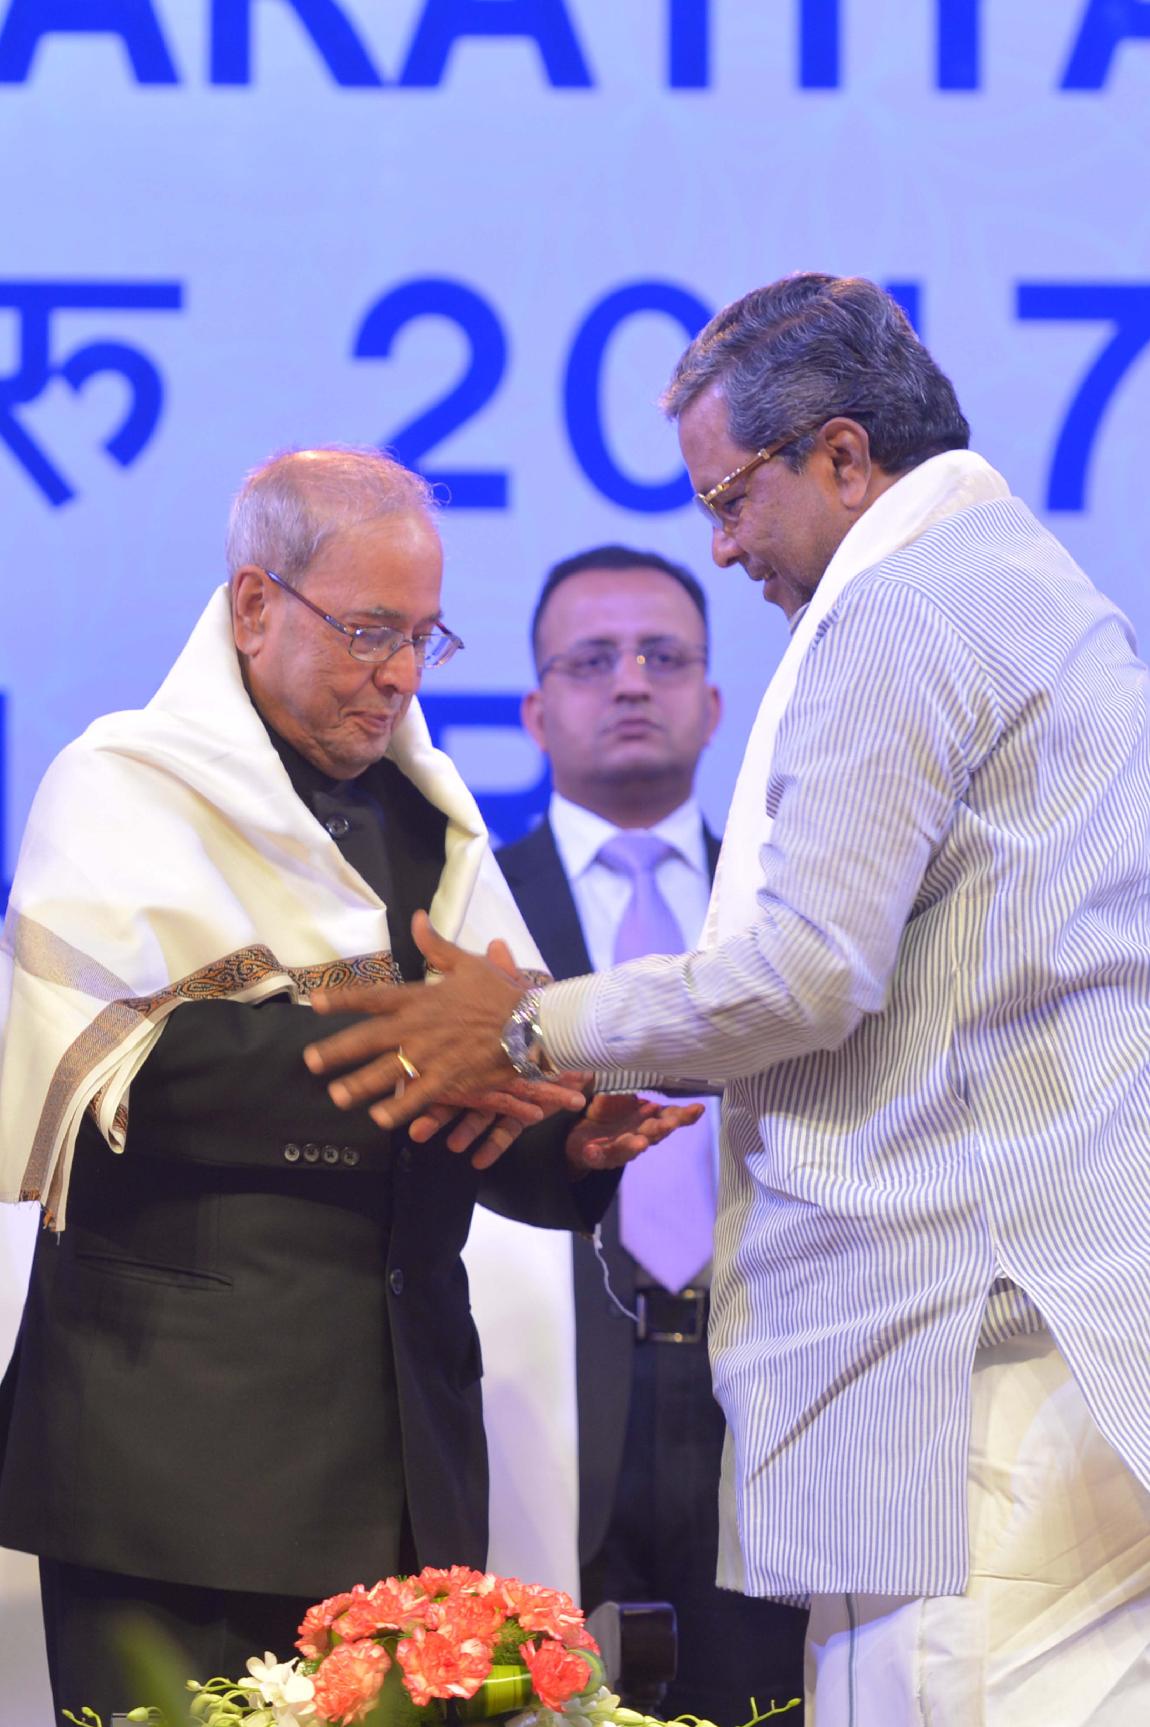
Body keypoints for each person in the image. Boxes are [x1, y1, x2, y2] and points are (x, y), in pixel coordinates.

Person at [301, 278, 1150, 1723]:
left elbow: (804, 971)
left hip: (967, 1359)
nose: (722, 543)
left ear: (841, 455)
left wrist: (519, 1023)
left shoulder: (905, 610)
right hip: (1045, 1333)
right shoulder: (1039, 589)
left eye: (730, 495)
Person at [0, 446, 699, 1726]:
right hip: (172, 1459)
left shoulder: (430, 823)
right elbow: (125, 1078)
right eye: (371, 630)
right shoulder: (123, 786)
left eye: (425, 637)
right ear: (253, 605)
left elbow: (462, 1108)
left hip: (402, 1468)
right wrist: (422, 1053)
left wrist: (559, 1145)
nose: (402, 674)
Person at [496, 545, 804, 1721]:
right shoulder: (473, 917)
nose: (630, 681)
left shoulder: (789, 916)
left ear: (714, 703)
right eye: (591, 660)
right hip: (550, 1388)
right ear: (535, 710)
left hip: (763, 1382)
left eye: (661, 656)